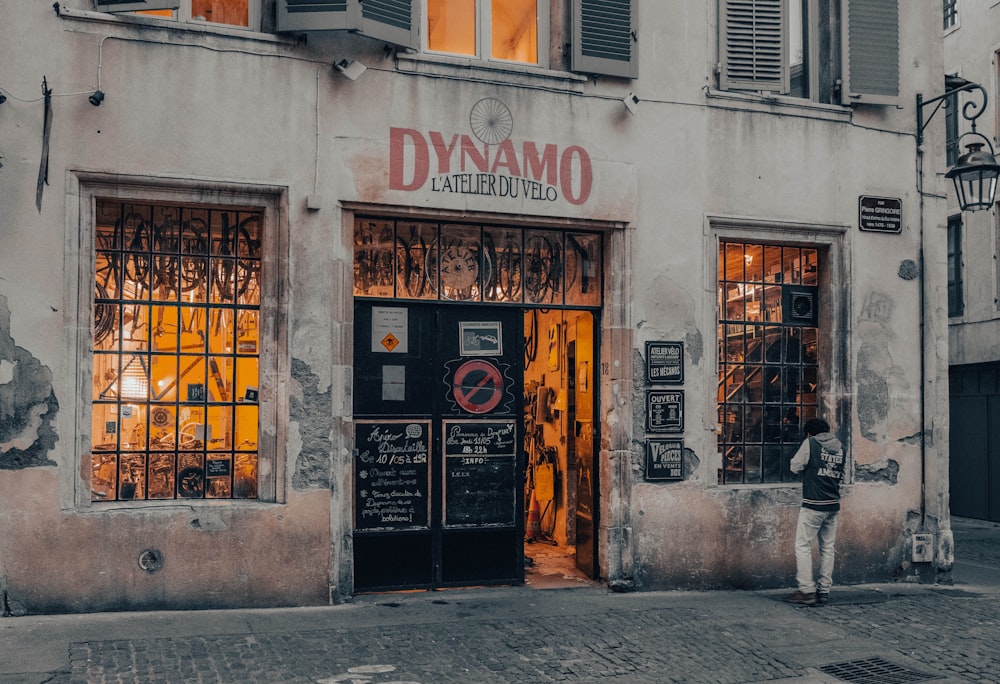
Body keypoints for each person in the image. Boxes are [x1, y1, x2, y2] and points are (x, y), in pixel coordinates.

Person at [786, 417, 845, 606]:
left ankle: (806, 590)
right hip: (832, 503)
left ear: (810, 433)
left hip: (813, 503)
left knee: (802, 546)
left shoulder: (810, 443)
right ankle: (824, 590)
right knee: (827, 548)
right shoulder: (840, 446)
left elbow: (795, 466)